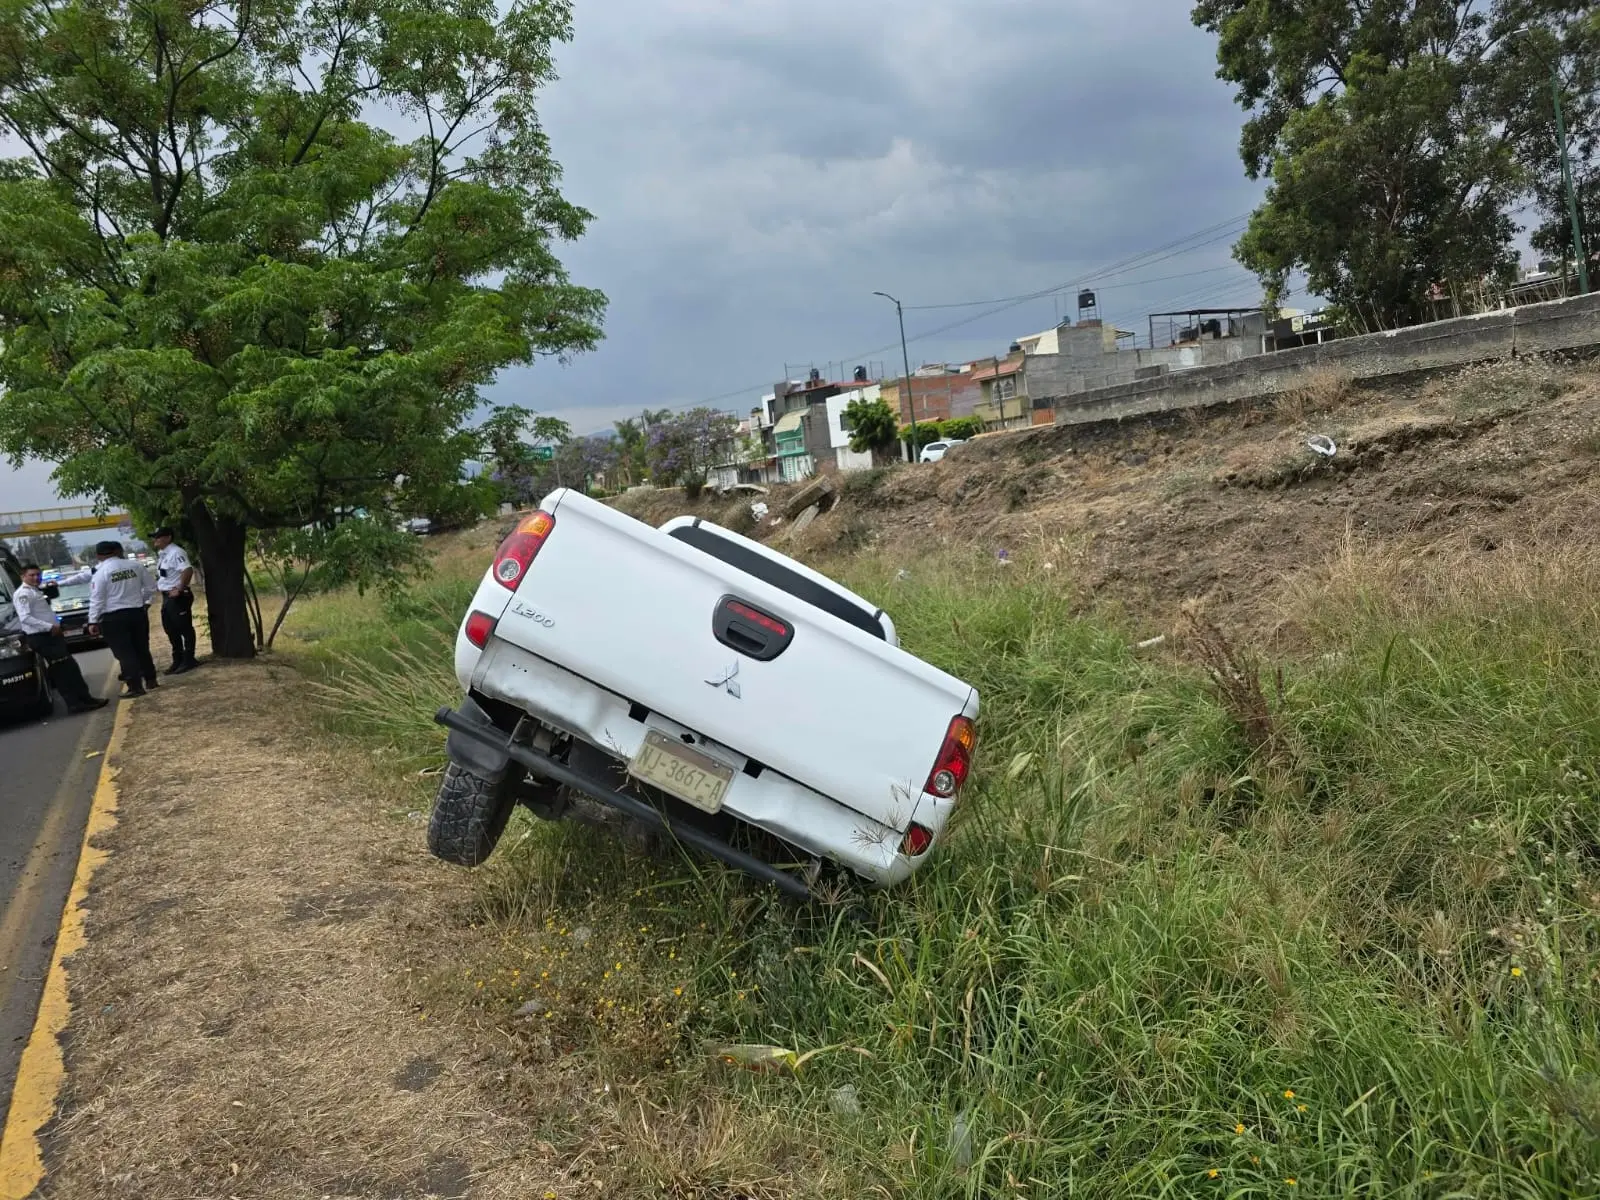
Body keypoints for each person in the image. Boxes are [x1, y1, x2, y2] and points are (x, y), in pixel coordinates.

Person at [12, 563, 109, 714]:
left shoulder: (34, 590)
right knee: (63, 671)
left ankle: (85, 699)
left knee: (69, 668)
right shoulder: (23, 594)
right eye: (32, 575)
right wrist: (49, 627)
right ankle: (75, 704)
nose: (36, 577)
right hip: (42, 637)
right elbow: (25, 618)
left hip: (50, 635)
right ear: (23, 576)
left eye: (38, 574)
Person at [87, 540, 159, 698]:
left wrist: (92, 620)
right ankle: (151, 679)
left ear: (99, 556)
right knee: (142, 647)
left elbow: (97, 599)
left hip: (114, 617)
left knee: (125, 653)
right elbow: (151, 587)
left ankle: (135, 686)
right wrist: (143, 603)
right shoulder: (135, 566)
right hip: (137, 613)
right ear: (115, 551)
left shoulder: (101, 573)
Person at [150, 526, 199, 674]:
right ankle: (178, 659)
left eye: (158, 537)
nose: (155, 540)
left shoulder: (176, 552)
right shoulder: (163, 554)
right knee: (170, 629)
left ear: (168, 537)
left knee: (184, 628)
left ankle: (189, 659)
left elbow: (187, 570)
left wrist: (180, 588)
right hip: (167, 597)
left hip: (178, 597)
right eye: (155, 537)